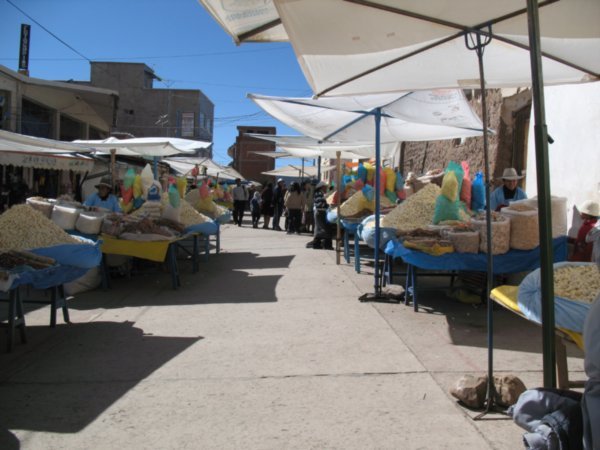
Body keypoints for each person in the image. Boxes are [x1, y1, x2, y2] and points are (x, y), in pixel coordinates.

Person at [312, 181, 333, 250]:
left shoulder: (322, 193)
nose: (326, 188)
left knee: (320, 229)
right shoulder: (318, 193)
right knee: (323, 229)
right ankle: (325, 245)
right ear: (322, 187)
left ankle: (318, 244)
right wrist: (326, 197)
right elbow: (320, 203)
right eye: (325, 187)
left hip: (322, 212)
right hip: (320, 212)